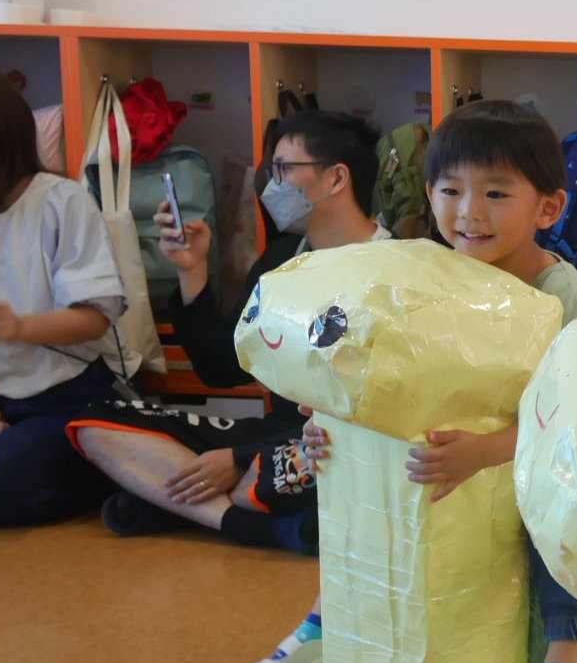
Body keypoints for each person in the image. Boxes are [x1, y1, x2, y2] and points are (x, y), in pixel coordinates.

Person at [247, 101, 577, 663]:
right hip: (444, 458)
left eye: (496, 193)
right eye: (450, 190)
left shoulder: (563, 296)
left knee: (566, 524)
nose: (469, 211)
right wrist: (329, 424)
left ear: (548, 208)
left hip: (531, 459)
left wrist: (491, 452)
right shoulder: (424, 276)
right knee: (355, 483)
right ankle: (329, 619)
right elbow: (379, 374)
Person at [68, 111, 385, 553]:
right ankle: (244, 521)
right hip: (272, 433)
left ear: (336, 179)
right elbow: (220, 368)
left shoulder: (391, 270)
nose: (271, 185)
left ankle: (177, 500)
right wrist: (192, 269)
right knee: (96, 426)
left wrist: (236, 461)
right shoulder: (280, 258)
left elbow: (377, 414)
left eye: (284, 170)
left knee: (285, 472)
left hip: (335, 442)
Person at [0, 62, 130, 527]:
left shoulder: (59, 202)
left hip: (70, 393)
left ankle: (112, 464)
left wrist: (21, 328)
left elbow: (94, 318)